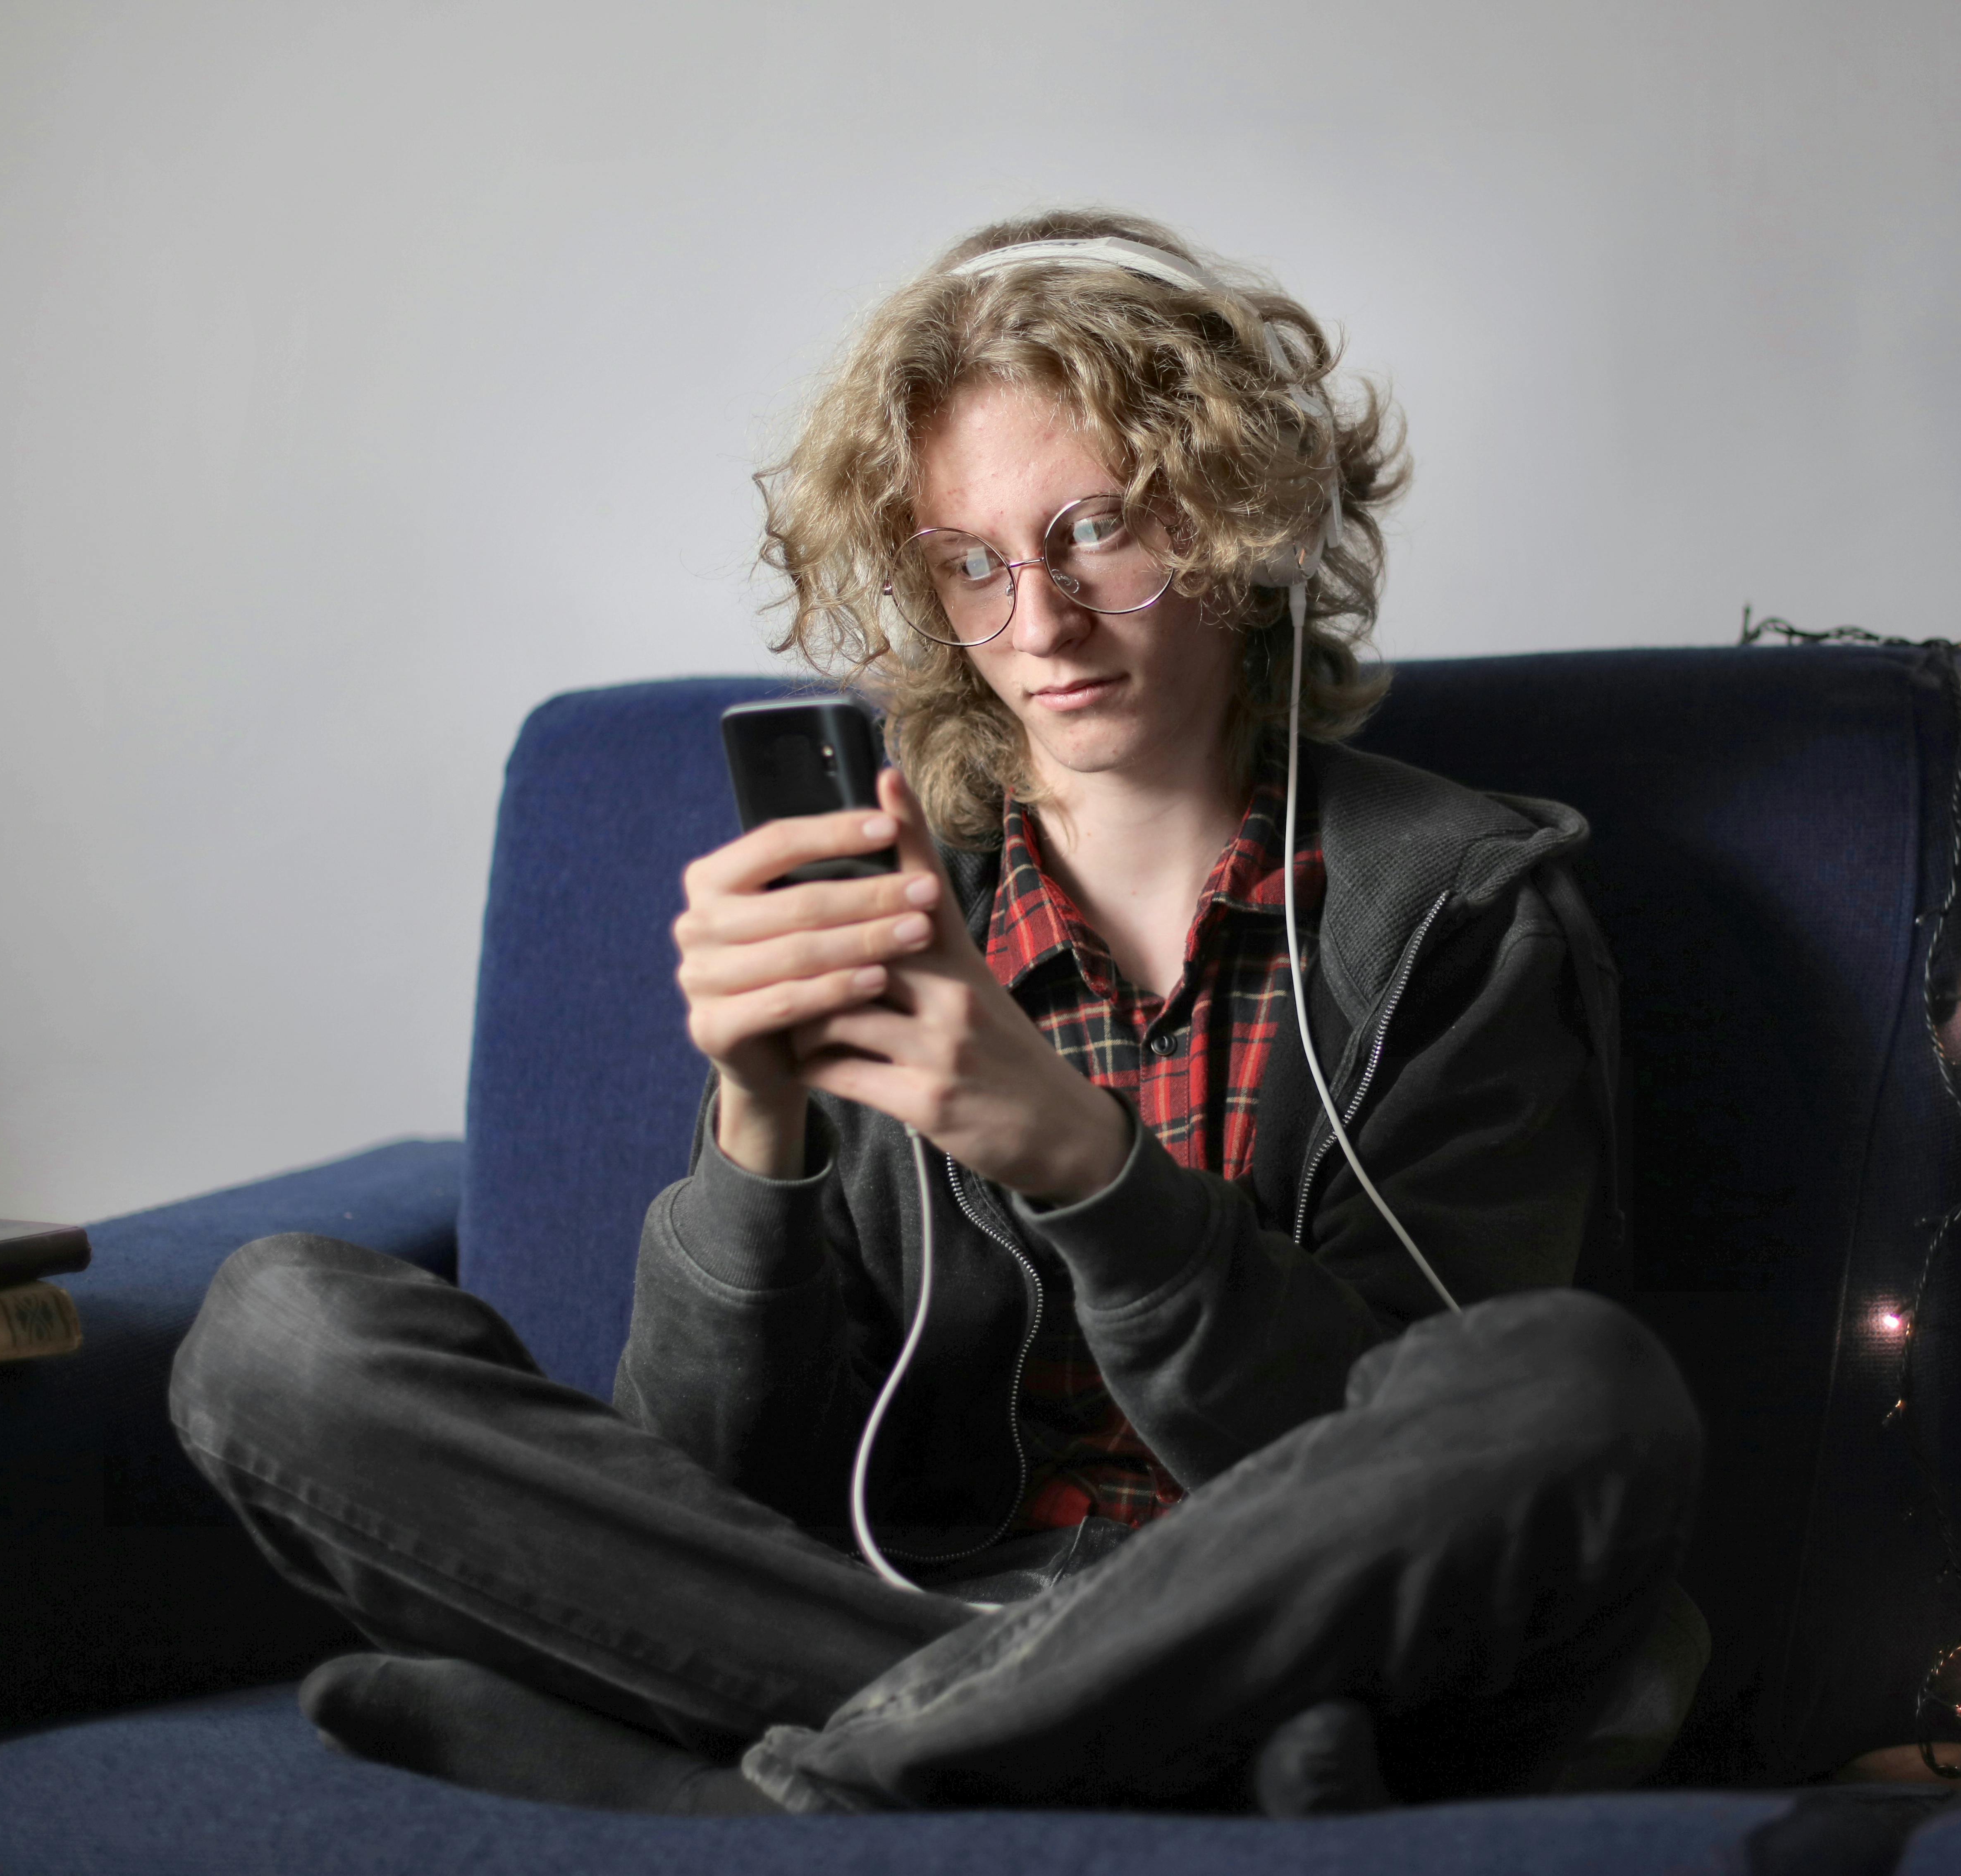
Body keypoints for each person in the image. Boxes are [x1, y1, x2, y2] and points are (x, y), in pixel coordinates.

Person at [167, 208, 1707, 1817]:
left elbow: (1424, 1454)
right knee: (272, 1335)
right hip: (936, 1604)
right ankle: (1095, 1752)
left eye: (1098, 530)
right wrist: (755, 1140)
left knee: (1576, 1386)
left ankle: (747, 1787)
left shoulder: (1459, 911)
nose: (1039, 624)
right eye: (973, 563)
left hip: (1305, 1624)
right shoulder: (894, 904)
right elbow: (701, 1492)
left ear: (1249, 530)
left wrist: (1084, 1166)